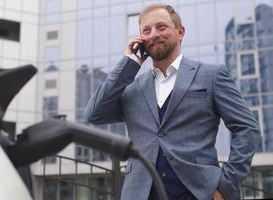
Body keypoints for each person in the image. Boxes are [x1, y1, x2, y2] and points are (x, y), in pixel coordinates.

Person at [85, 3, 260, 200]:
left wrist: (226, 184)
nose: (153, 34)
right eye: (146, 30)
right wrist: (129, 63)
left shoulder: (211, 76)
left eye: (161, 27)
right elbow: (94, 114)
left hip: (199, 193)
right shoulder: (133, 88)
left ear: (180, 32)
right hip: (140, 194)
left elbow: (247, 128)